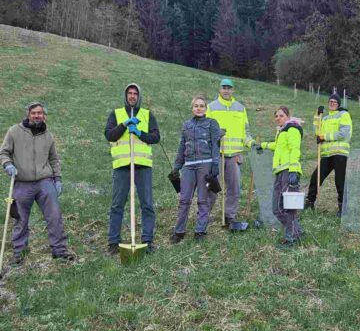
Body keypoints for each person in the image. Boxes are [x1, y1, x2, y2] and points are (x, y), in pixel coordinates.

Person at [0, 101, 75, 264]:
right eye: (33, 113)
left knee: (54, 216)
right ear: (28, 114)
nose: (36, 115)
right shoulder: (14, 131)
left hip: (44, 182)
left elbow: (53, 159)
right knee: (20, 218)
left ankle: (59, 250)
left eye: (39, 113)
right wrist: (8, 164)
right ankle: (19, 252)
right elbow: (3, 153)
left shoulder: (48, 136)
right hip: (21, 183)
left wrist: (58, 179)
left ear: (44, 115)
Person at [105, 83, 160, 255]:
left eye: (135, 93)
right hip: (122, 166)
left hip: (142, 166)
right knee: (117, 205)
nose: (132, 96)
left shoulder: (147, 115)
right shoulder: (116, 114)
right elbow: (109, 134)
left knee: (147, 204)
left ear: (139, 96)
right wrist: (124, 125)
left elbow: (156, 137)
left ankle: (147, 240)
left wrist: (138, 133)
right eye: (130, 93)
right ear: (125, 95)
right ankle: (114, 242)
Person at [170, 96, 221, 242]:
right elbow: (182, 146)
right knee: (184, 199)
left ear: (205, 108)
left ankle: (200, 231)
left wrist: (215, 165)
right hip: (189, 166)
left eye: (202, 106)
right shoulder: (186, 125)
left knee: (203, 199)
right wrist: (177, 166)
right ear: (192, 108)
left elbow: (216, 145)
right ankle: (179, 232)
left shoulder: (212, 123)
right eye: (196, 106)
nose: (199, 108)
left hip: (205, 164)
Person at [206, 78, 255, 226]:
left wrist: (251, 143)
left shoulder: (240, 108)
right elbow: (206, 130)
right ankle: (204, 214)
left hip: (234, 155)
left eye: (229, 88)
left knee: (234, 187)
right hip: (217, 154)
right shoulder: (211, 107)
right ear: (219, 90)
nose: (226, 90)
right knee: (213, 186)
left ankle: (229, 215)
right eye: (224, 88)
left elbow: (245, 132)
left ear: (233, 90)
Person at [258, 106, 304, 245]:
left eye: (281, 115)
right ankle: (297, 231)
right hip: (279, 171)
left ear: (288, 116)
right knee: (276, 208)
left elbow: (294, 149)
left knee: (288, 207)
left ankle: (291, 238)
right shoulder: (281, 131)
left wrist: (293, 170)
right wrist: (263, 145)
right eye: (276, 116)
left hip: (289, 171)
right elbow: (277, 146)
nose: (278, 118)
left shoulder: (292, 129)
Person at [305, 93, 353, 215]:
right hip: (326, 154)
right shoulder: (325, 118)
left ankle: (343, 208)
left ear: (338, 104)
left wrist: (324, 137)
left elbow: (343, 133)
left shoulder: (344, 115)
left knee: (339, 181)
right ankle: (309, 202)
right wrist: (317, 115)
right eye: (330, 101)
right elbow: (317, 131)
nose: (331, 103)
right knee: (316, 177)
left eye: (334, 102)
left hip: (339, 153)